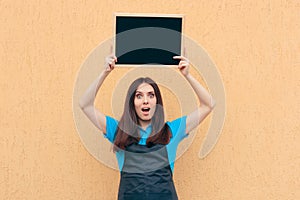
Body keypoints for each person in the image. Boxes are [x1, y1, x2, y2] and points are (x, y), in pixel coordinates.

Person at [79, 54, 216, 200]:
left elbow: (208, 105)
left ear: (157, 101)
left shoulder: (172, 131)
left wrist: (187, 75)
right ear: (132, 102)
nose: (145, 101)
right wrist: (104, 72)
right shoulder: (118, 131)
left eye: (151, 95)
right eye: (139, 96)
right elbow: (85, 105)